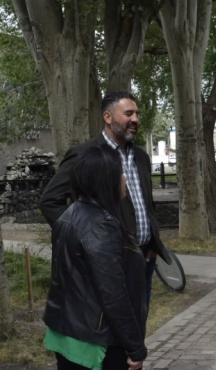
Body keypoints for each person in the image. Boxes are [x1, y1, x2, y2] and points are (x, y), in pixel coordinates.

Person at [39, 91, 171, 308]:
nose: (135, 119)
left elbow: (147, 204)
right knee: (109, 329)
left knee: (137, 325)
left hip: (143, 259)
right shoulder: (85, 155)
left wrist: (152, 242)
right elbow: (49, 202)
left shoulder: (141, 157)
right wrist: (85, 240)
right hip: (107, 263)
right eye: (128, 113)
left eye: (137, 114)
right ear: (108, 117)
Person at [43, 145, 147, 370]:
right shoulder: (102, 227)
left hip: (66, 333)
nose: (125, 179)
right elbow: (114, 294)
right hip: (96, 342)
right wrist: (136, 347)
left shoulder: (68, 215)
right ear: (106, 180)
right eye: (120, 173)